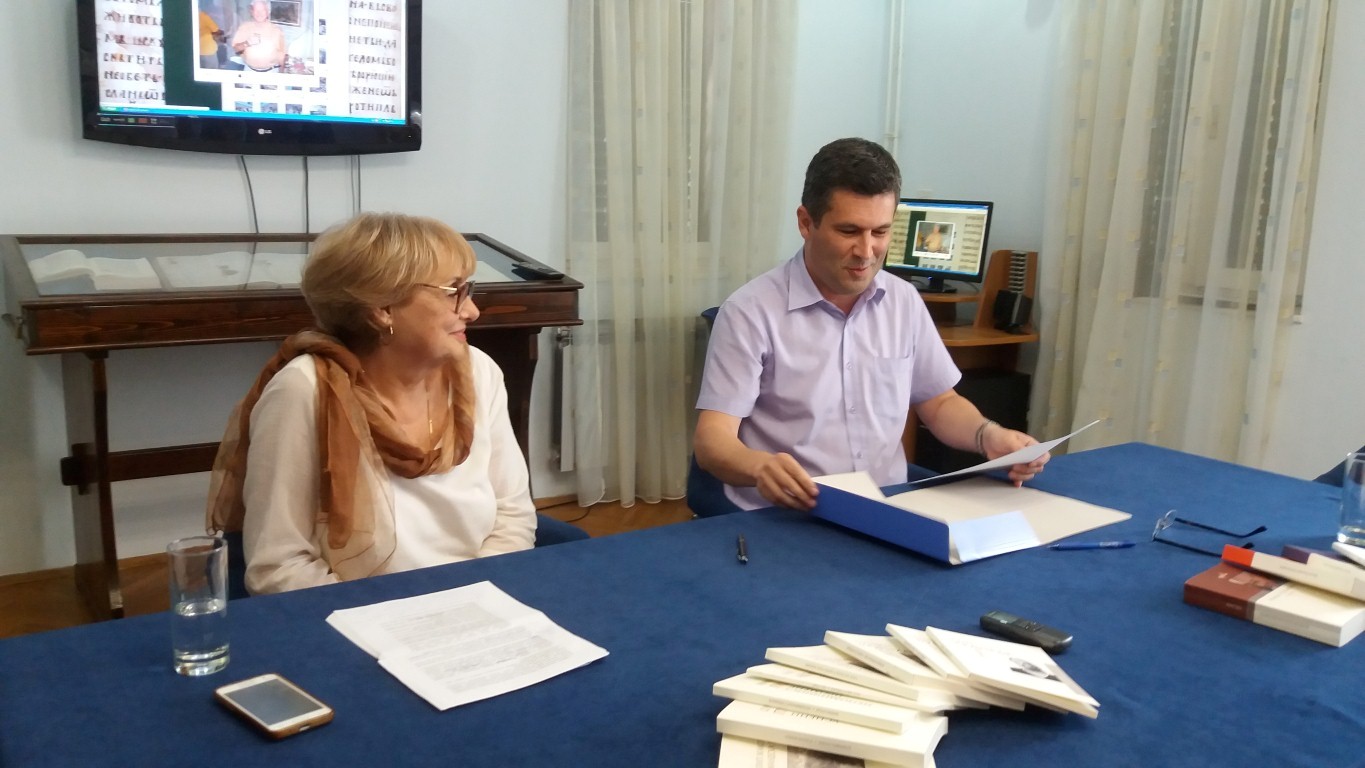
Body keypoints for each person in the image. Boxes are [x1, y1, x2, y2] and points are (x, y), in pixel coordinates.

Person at [693, 137, 1048, 512]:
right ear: (806, 222)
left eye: (880, 232)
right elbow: (712, 441)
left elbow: (939, 402)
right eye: (849, 231)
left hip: (884, 506)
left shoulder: (903, 300)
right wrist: (759, 467)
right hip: (788, 514)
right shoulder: (749, 312)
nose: (866, 252)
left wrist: (988, 435)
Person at [207, 213, 536, 594]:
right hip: (362, 610)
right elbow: (279, 567)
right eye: (453, 291)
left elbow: (512, 515)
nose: (471, 311)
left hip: (479, 596)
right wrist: (403, 615)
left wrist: (475, 596)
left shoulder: (479, 371)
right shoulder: (304, 391)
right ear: (382, 308)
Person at [231, 0, 287, 72]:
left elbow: (282, 55)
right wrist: (247, 43)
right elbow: (236, 48)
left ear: (268, 12)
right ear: (251, 12)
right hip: (249, 71)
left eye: (262, 10)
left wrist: (281, 73)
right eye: (256, 10)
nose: (259, 13)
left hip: (271, 72)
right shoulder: (244, 27)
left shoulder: (277, 30)